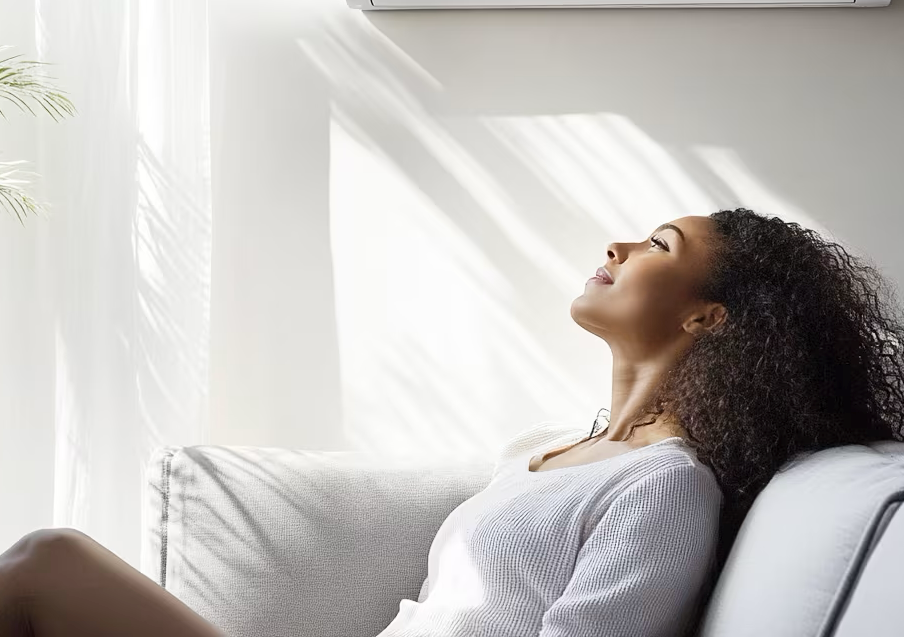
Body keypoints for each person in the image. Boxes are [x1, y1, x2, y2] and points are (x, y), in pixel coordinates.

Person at [1, 208, 902, 637]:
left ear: (707, 318)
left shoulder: (665, 486)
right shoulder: (550, 453)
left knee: (51, 563)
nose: (618, 246)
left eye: (658, 246)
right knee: (51, 563)